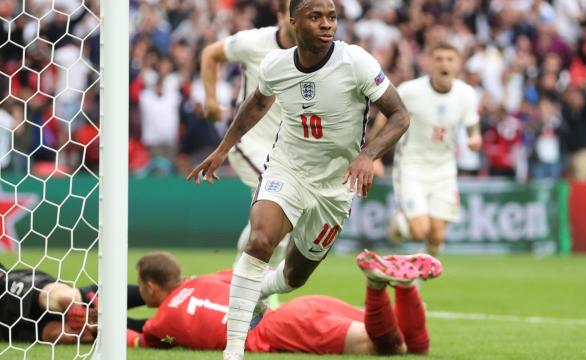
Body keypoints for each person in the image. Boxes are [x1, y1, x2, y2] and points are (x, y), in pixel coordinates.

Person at [187, 0, 409, 358]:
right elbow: (257, 103)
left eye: (332, 17)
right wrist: (223, 148)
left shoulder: (356, 62)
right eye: (316, 17)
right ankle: (233, 350)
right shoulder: (275, 64)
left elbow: (399, 115)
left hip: (335, 186)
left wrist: (368, 155)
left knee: (294, 276)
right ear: (293, 21)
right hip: (287, 168)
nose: (327, 24)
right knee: (259, 240)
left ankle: (260, 290)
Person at [126, 251, 441, 356]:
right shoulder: (205, 281)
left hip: (282, 330)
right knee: (416, 348)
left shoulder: (161, 322)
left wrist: (97, 325)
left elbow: (138, 338)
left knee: (389, 347)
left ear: (150, 288)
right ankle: (406, 287)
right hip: (300, 308)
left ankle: (376, 285)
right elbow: (254, 273)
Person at [200, 0, 296, 269]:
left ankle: (240, 277)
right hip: (250, 142)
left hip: (287, 151)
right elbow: (210, 53)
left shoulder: (314, 54)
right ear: (280, 15)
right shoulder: (254, 42)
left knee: (281, 222)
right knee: (279, 207)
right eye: (293, 13)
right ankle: (254, 285)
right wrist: (210, 100)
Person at [371, 42, 482, 258]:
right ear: (429, 62)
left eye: (450, 59)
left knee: (437, 237)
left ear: (458, 64)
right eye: (439, 59)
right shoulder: (410, 90)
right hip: (412, 167)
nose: (444, 64)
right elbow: (385, 115)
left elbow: (472, 124)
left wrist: (475, 137)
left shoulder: (466, 94)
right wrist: (374, 155)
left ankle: (416, 278)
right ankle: (399, 223)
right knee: (419, 230)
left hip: (444, 170)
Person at [0, 263, 98, 344]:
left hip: (89, 300)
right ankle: (95, 327)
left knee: (56, 298)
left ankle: (88, 318)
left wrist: (76, 308)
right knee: (61, 335)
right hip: (10, 324)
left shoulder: (9, 281)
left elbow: (65, 298)